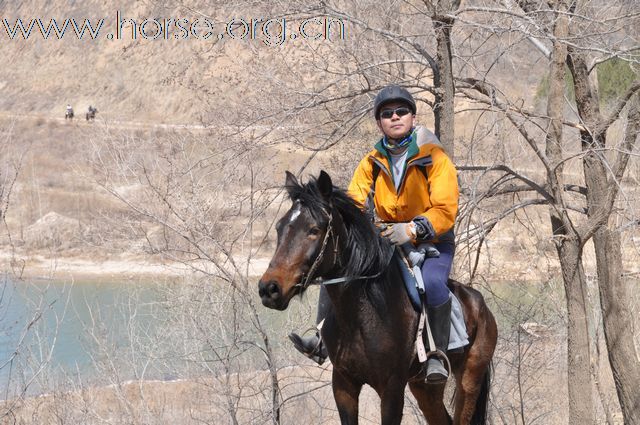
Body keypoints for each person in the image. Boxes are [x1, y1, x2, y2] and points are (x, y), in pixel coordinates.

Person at [289, 85, 460, 383]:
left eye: (401, 111)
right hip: (386, 238)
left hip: (432, 239)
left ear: (412, 116)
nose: (395, 117)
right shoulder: (371, 161)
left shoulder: (435, 157)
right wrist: (363, 228)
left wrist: (411, 229)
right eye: (387, 114)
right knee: (338, 266)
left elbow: (445, 209)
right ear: (379, 121)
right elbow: (355, 201)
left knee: (432, 283)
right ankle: (320, 338)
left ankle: (436, 355)